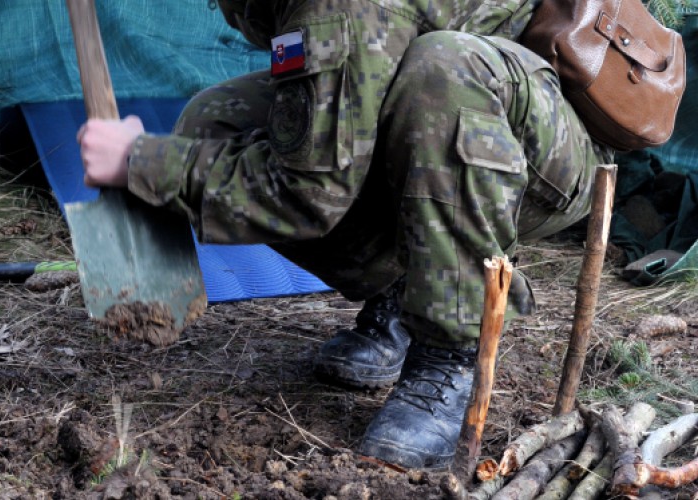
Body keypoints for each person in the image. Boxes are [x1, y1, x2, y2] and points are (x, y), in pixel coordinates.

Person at [76, 0, 613, 469]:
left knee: (442, 73)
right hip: (430, 95)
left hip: (540, 146)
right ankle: (407, 289)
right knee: (216, 124)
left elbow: (307, 191)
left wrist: (140, 161)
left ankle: (448, 353)